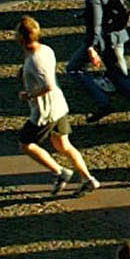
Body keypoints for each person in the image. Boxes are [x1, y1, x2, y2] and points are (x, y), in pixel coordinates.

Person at [14, 14, 99, 194]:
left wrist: (27, 95)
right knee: (63, 144)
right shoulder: (45, 49)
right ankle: (88, 178)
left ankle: (60, 171)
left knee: (26, 144)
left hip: (45, 112)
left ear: (21, 38)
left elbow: (48, 86)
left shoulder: (35, 60)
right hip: (59, 106)